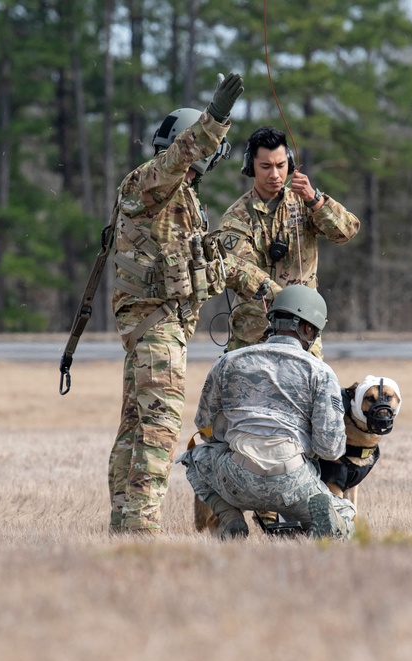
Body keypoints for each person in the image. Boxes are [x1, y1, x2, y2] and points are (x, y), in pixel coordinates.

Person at [107, 73, 275, 535]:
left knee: (135, 428)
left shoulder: (183, 203)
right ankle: (140, 533)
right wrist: (216, 117)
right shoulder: (148, 184)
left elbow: (217, 260)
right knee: (159, 431)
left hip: (166, 326)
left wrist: (269, 291)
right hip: (155, 324)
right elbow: (181, 155)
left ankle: (124, 530)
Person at [178, 285, 356, 541]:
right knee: (346, 513)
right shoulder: (320, 372)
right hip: (293, 481)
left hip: (236, 477)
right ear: (308, 329)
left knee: (194, 456)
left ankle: (229, 517)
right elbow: (330, 448)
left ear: (271, 321)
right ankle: (324, 522)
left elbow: (206, 428)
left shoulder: (228, 362)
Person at [211, 126, 361, 357]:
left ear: (290, 164)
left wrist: (316, 202)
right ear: (251, 166)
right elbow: (238, 270)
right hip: (254, 335)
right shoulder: (236, 217)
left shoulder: (304, 202)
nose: (275, 175)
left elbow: (346, 232)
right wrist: (286, 300)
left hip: (304, 332)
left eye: (281, 166)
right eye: (266, 166)